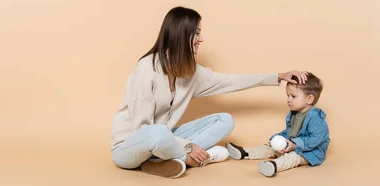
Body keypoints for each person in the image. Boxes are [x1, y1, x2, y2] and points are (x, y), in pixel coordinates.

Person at [110, 6, 310, 179]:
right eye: (196, 33)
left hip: (164, 141)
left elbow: (231, 81)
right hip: (129, 147)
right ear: (182, 34)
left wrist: (278, 76)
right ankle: (187, 159)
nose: (201, 39)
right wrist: (187, 146)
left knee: (225, 120)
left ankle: (161, 162)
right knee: (158, 131)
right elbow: (142, 128)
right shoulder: (147, 69)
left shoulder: (190, 72)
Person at [225, 73, 329, 177]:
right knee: (271, 148)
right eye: (287, 95)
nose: (289, 100)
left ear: (309, 99)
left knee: (293, 157)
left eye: (293, 96)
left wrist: (295, 146)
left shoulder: (316, 117)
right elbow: (289, 132)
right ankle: (245, 153)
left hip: (310, 153)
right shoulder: (293, 113)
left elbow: (315, 139)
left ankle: (274, 165)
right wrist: (277, 138)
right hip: (292, 146)